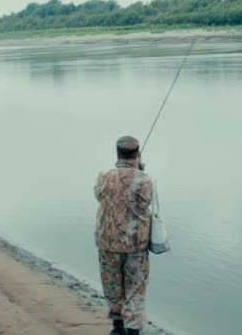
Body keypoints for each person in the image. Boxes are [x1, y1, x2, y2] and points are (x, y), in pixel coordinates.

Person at [94, 136, 155, 335]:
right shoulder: (145, 179)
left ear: (117, 154)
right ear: (137, 154)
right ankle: (133, 331)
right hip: (136, 245)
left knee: (112, 287)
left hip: (108, 242)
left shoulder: (103, 177)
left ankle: (117, 328)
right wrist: (140, 170)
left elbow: (98, 195)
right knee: (135, 289)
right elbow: (146, 201)